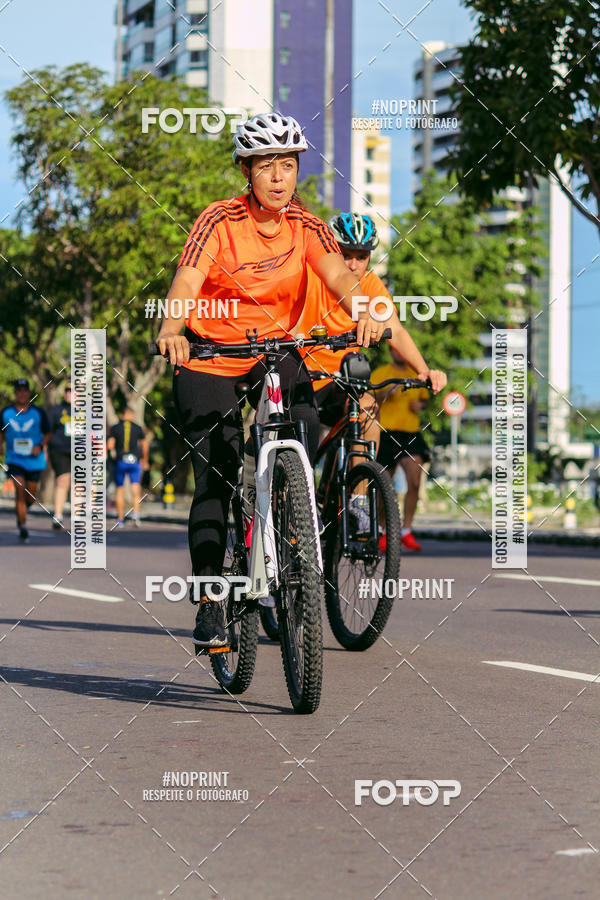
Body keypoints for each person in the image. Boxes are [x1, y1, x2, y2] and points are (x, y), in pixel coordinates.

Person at [156, 112, 390, 650]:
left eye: (288, 165)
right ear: (247, 168)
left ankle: (291, 529)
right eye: (267, 165)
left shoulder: (306, 228)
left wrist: (366, 310)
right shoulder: (217, 221)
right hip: (211, 354)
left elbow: (337, 276)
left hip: (275, 353)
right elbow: (188, 278)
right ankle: (212, 600)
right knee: (214, 473)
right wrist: (173, 328)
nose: (279, 176)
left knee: (300, 440)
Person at [297, 212, 446, 532]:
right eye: (345, 255)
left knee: (367, 406)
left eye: (360, 257)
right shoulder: (311, 275)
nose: (352, 264)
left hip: (343, 380)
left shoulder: (371, 285)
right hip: (303, 374)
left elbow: (396, 329)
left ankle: (358, 500)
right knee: (297, 438)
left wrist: (424, 370)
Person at [372, 347, 432, 551]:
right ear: (391, 352)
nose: (400, 354)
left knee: (414, 481)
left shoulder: (416, 374)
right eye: (396, 351)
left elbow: (425, 398)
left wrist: (421, 406)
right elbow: (370, 398)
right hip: (387, 433)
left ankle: (406, 530)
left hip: (411, 433)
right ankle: (382, 530)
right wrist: (385, 394)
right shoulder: (381, 373)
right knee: (384, 485)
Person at [0, 378, 49, 542]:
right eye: (18, 391)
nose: (22, 393)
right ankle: (23, 526)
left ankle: (21, 512)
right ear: (15, 393)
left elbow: (48, 432)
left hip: (34, 460)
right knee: (19, 489)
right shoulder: (6, 413)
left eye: (24, 390)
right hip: (14, 459)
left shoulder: (38, 413)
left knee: (30, 496)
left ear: (28, 393)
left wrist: (40, 446)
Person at [106, 408, 149, 528]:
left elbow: (110, 445)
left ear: (122, 415)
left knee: (120, 489)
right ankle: (136, 515)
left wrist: (109, 457)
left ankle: (120, 519)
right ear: (132, 415)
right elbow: (144, 445)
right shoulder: (138, 428)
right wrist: (145, 460)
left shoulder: (115, 428)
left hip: (120, 461)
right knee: (136, 488)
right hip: (134, 462)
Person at [47, 385, 72, 529]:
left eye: (73, 391)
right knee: (62, 480)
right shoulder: (56, 410)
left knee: (78, 484)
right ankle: (58, 514)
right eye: (68, 391)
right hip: (60, 450)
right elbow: (47, 431)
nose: (70, 394)